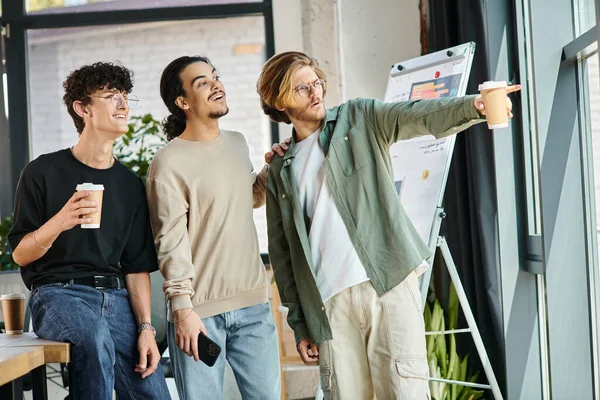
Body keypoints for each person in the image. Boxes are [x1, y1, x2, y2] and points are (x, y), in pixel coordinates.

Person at [257, 51, 520, 399]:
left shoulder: (359, 117)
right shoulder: (280, 168)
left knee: (405, 391)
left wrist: (474, 106)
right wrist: (300, 324)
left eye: (316, 82)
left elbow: (418, 115)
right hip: (329, 307)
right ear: (278, 99)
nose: (315, 92)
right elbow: (284, 253)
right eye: (301, 88)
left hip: (386, 285)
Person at [8, 62, 170, 399]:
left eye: (126, 96)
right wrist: (61, 220)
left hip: (117, 299)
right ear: (82, 108)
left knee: (152, 390)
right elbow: (21, 253)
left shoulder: (129, 185)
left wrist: (145, 328)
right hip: (56, 294)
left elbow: (136, 267)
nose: (123, 105)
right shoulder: (41, 172)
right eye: (112, 96)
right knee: (93, 338)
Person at [147, 55, 284, 399]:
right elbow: (170, 242)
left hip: (253, 305)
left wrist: (274, 167)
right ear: (182, 102)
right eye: (203, 83)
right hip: (200, 315)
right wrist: (183, 310)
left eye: (215, 77)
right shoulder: (168, 163)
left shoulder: (237, 142)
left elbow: (249, 196)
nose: (216, 85)